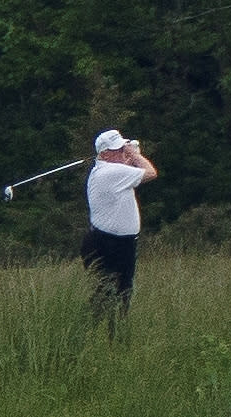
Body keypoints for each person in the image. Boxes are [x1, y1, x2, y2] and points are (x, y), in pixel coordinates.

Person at [80, 129, 157, 338]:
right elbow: (150, 172)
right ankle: (96, 334)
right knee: (107, 294)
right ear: (104, 154)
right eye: (118, 150)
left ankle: (113, 336)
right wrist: (135, 155)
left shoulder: (110, 170)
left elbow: (127, 170)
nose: (122, 151)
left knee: (121, 292)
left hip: (117, 243)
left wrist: (128, 155)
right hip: (108, 243)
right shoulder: (110, 173)